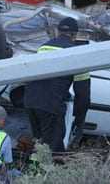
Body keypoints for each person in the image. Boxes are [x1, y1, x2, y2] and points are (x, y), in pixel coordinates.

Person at [24, 17, 79, 153]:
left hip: (31, 101)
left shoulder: (43, 47)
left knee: (40, 143)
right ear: (74, 34)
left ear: (58, 31)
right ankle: (48, 172)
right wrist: (80, 122)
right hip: (50, 106)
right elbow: (83, 91)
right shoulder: (77, 53)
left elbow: (45, 79)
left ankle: (35, 170)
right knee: (53, 148)